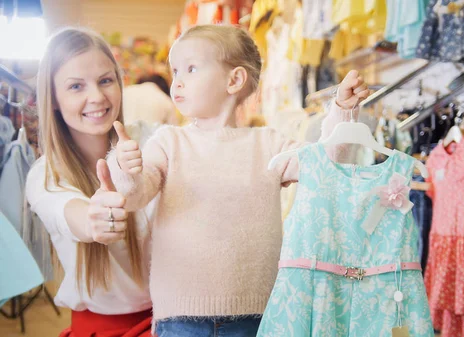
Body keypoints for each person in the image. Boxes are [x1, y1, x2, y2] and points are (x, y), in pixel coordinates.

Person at [106, 25, 368, 336]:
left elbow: (326, 164)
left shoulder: (268, 144)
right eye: (175, 70)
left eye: (191, 68)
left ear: (234, 80)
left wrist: (342, 113)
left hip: (256, 315)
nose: (177, 81)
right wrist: (125, 169)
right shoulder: (168, 142)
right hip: (179, 317)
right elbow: (135, 194)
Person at [25, 27, 154, 337]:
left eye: (105, 81)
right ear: (53, 99)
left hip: (179, 321)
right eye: (75, 86)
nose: (96, 97)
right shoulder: (45, 174)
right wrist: (94, 219)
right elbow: (72, 214)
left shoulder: (152, 139)